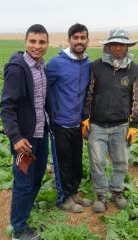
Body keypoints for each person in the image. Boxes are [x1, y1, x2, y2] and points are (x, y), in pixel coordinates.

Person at [82, 28, 138, 213]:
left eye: (121, 44)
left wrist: (134, 125)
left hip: (120, 126)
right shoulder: (96, 66)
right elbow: (88, 94)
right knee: (98, 162)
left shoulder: (134, 70)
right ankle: (101, 194)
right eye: (114, 44)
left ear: (126, 47)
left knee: (121, 162)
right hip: (97, 126)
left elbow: (137, 99)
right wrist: (85, 118)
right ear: (108, 46)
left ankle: (117, 190)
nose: (117, 48)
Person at [0, 24, 50, 240]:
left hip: (41, 135)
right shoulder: (18, 68)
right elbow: (7, 106)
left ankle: (24, 215)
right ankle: (19, 230)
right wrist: (16, 137)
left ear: (47, 44)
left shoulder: (41, 67)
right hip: (25, 141)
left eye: (41, 42)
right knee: (23, 182)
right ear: (25, 42)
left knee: (37, 178)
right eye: (33, 41)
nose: (37, 46)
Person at [46, 23, 92, 213]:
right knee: (62, 162)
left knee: (75, 161)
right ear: (69, 40)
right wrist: (50, 111)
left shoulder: (87, 63)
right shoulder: (57, 63)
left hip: (77, 123)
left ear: (87, 40)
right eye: (76, 38)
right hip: (60, 123)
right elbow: (43, 86)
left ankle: (73, 193)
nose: (79, 41)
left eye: (83, 38)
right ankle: (63, 198)